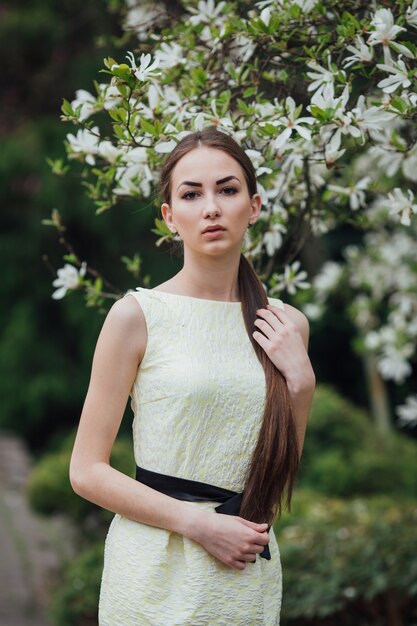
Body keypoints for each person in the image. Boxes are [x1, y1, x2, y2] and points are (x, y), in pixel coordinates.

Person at [69, 127, 316, 625]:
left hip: (243, 572)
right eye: (191, 194)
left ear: (254, 206)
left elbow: (278, 469)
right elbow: (86, 471)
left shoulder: (285, 325)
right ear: (169, 216)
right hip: (153, 571)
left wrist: (302, 384)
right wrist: (199, 524)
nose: (211, 207)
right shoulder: (136, 316)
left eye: (227, 190)